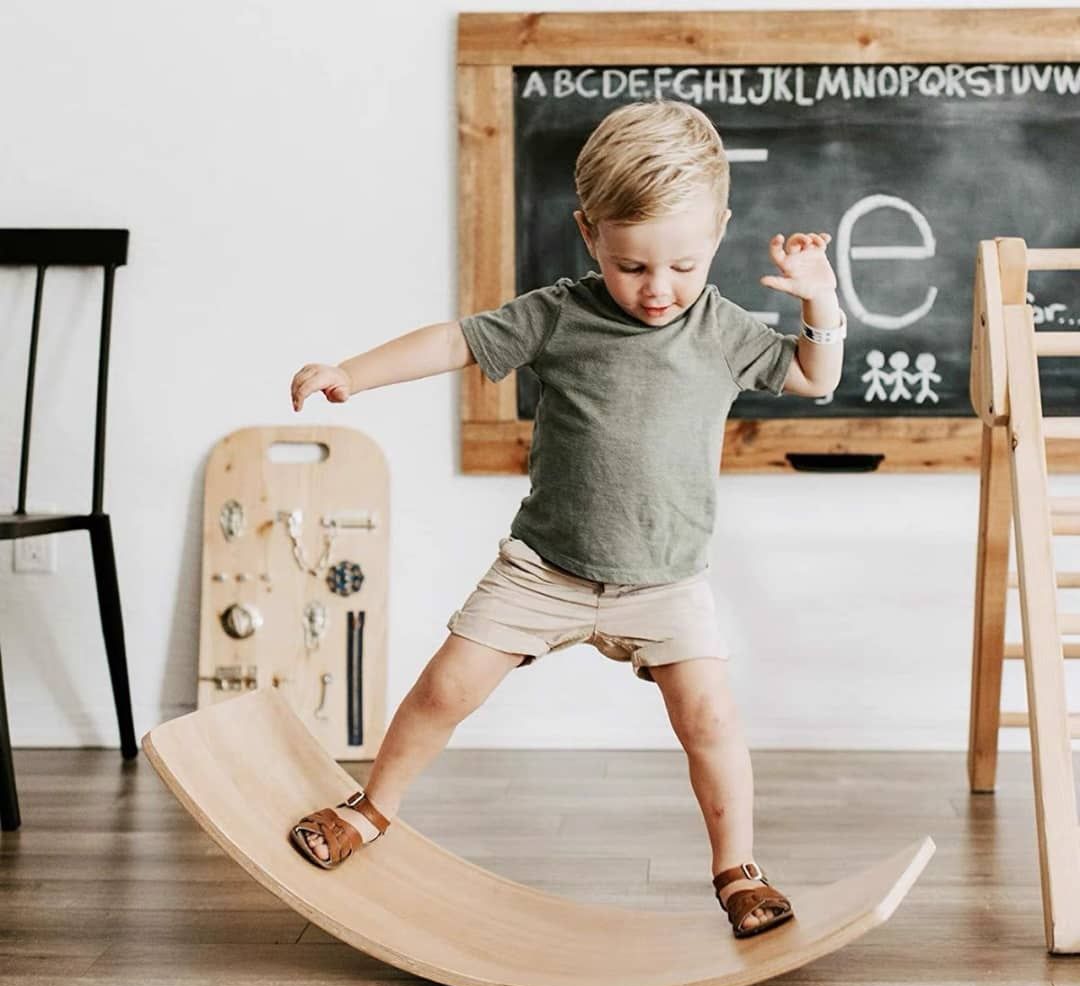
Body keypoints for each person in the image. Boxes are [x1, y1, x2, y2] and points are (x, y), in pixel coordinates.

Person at [286, 99, 844, 939]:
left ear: (720, 231)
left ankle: (738, 869)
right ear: (591, 235)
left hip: (666, 581)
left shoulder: (722, 329)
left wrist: (821, 307)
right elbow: (453, 343)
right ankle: (372, 807)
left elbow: (813, 379)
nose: (658, 290)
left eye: (682, 267)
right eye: (632, 267)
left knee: (712, 721)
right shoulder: (556, 314)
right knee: (445, 689)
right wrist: (351, 375)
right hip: (543, 570)